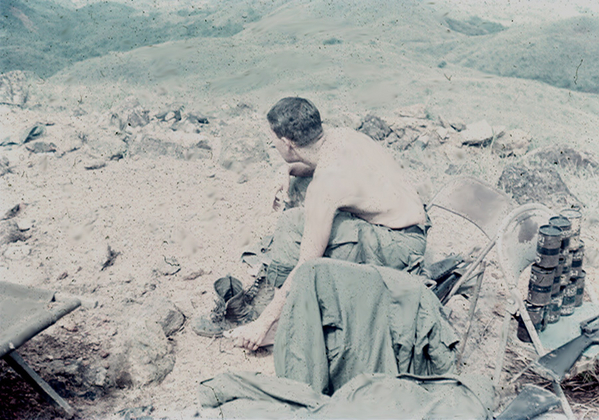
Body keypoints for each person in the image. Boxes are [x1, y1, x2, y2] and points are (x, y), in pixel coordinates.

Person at [226, 97, 430, 351]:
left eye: (273, 139)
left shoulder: (325, 186)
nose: (272, 143)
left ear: (287, 143)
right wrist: (287, 170)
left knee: (293, 225)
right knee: (301, 194)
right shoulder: (343, 137)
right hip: (414, 221)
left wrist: (263, 322)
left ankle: (286, 319)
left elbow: (307, 264)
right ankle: (288, 298)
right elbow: (314, 163)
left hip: (401, 247)